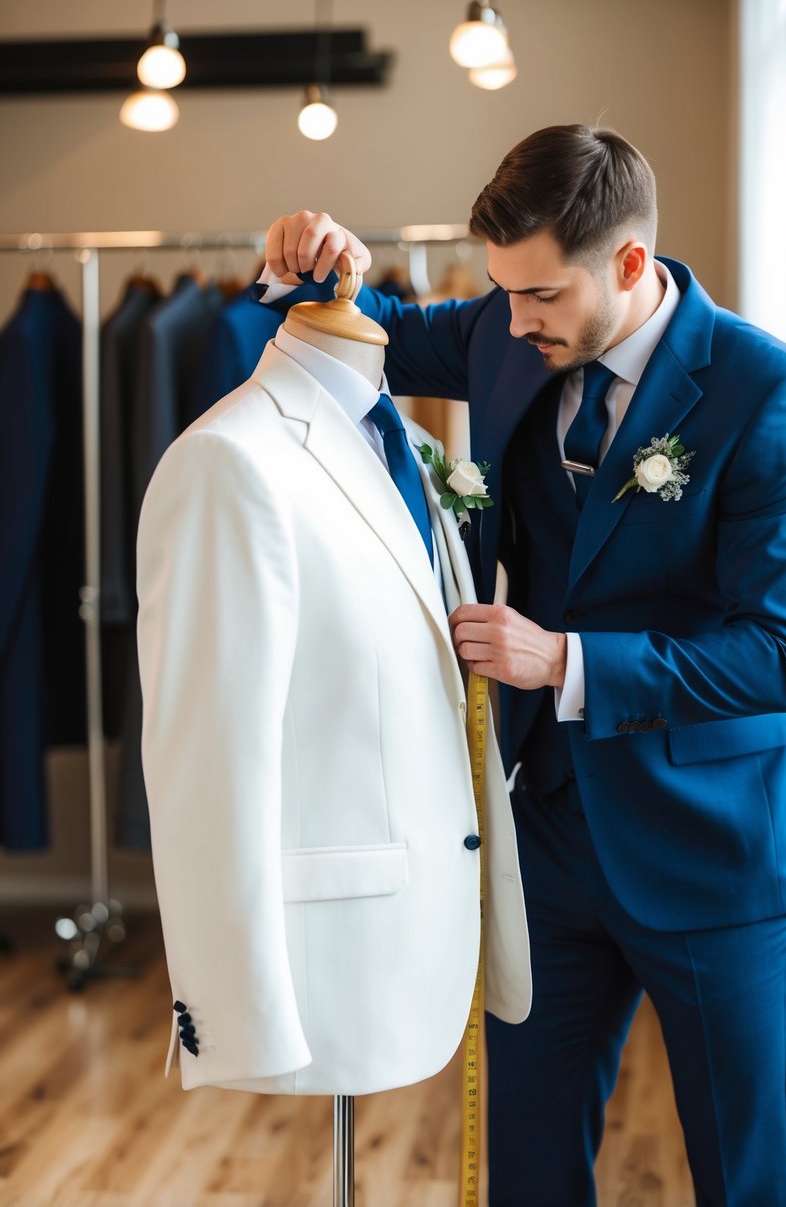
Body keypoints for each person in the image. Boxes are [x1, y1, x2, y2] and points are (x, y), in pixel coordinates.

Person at [259, 124, 786, 1205]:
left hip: (715, 853)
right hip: (551, 837)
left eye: (540, 300)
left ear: (627, 265)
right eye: (502, 296)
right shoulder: (506, 327)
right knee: (523, 1150)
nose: (515, 325)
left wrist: (563, 659)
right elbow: (368, 324)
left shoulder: (776, 402)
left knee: (743, 1170)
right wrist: (312, 261)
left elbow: (779, 655)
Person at [136, 270, 530, 1098]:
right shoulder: (228, 458)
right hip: (328, 963)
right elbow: (206, 759)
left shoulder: (410, 449)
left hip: (422, 923)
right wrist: (234, 1013)